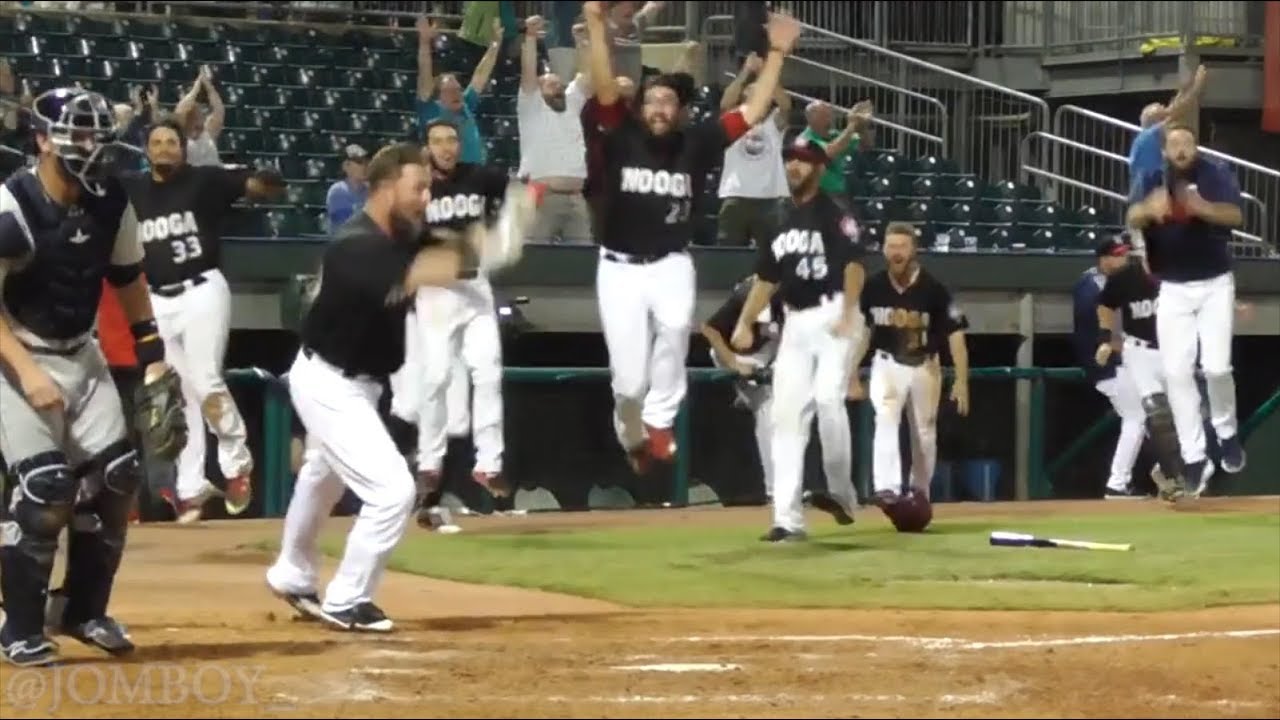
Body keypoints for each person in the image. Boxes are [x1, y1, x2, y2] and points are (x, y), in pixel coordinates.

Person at [265, 142, 532, 631]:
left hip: (354, 383)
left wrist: (488, 238)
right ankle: (348, 599)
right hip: (330, 382)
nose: (426, 196)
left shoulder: (400, 232)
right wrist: (501, 242)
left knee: (322, 476)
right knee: (391, 491)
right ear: (386, 188)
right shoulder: (356, 245)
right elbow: (428, 271)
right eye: (418, 187)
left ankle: (292, 572)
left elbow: (452, 250)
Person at [0, 88, 184, 666]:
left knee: (118, 477)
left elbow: (128, 279)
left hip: (82, 352)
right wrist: (28, 373)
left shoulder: (111, 202)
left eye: (95, 134)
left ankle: (82, 610)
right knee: (45, 491)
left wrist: (152, 351)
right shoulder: (12, 208)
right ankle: (19, 628)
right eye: (75, 135)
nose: (88, 146)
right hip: (13, 353)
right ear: (41, 140)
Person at [582, 0, 801, 473]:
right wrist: (598, 26)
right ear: (639, 108)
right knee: (627, 383)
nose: (659, 107)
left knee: (677, 324)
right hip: (618, 267)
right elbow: (602, 86)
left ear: (679, 109)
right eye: (652, 100)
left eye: (667, 101)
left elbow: (753, 110)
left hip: (670, 261)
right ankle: (633, 431)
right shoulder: (620, 136)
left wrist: (779, 53)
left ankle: (660, 423)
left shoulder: (695, 143)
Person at [119, 119, 286, 523]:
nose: (163, 148)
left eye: (171, 142)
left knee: (208, 379)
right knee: (177, 393)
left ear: (183, 148)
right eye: (156, 142)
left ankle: (236, 466)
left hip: (202, 289)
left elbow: (262, 187)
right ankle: (191, 486)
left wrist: (264, 180)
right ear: (146, 150)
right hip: (156, 299)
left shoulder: (205, 181)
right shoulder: (132, 189)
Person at [730, 139, 865, 543]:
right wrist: (744, 321)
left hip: (834, 311)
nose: (794, 165)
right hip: (795, 322)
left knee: (827, 399)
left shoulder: (836, 211)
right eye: (790, 158)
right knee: (785, 420)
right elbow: (768, 277)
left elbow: (855, 265)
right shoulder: (775, 217)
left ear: (820, 167)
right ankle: (787, 520)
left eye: (804, 160)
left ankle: (841, 493)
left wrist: (848, 312)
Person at [1126, 123, 1245, 496]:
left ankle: (1226, 431)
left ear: (1195, 147)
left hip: (1214, 282)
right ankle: (1195, 457)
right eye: (1174, 144)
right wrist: (1147, 210)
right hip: (1173, 287)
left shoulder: (1215, 173)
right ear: (1164, 150)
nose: (1180, 149)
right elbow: (1131, 216)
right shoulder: (1151, 177)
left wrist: (1201, 208)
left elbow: (1235, 216)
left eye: (1187, 142)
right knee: (1176, 373)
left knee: (1216, 367)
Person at [849, 222, 970, 507]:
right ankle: (887, 488)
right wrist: (852, 369)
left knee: (924, 433)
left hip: (924, 366)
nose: (897, 252)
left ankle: (919, 494)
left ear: (914, 249)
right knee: (886, 417)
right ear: (883, 250)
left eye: (902, 246)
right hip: (887, 362)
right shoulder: (874, 286)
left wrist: (962, 380)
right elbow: (863, 331)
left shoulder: (935, 288)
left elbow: (956, 334)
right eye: (891, 246)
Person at [1093, 235, 1191, 501]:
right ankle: (1134, 481)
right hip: (1138, 351)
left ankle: (1166, 473)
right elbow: (1105, 305)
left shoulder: (1178, 276)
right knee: (1153, 414)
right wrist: (1105, 339)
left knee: (1186, 418)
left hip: (1172, 351)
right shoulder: (1126, 276)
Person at [1071, 235, 1148, 499]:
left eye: (1125, 253)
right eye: (1117, 254)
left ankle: (1168, 472)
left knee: (1151, 415)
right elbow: (1103, 329)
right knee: (1137, 417)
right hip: (1106, 365)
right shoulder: (1090, 287)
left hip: (1121, 361)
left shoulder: (1117, 282)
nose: (1123, 258)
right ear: (1104, 259)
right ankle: (1117, 483)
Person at [700, 275, 784, 501]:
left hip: (765, 354)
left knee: (771, 410)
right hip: (731, 353)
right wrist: (734, 364)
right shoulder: (744, 294)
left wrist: (777, 366)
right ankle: (743, 392)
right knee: (767, 408)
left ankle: (776, 491)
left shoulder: (788, 299)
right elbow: (709, 329)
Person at [715, 52, 791, 248]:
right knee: (729, 250)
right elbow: (725, 103)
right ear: (744, 95)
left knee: (773, 253)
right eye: (752, 90)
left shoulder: (774, 122)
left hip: (770, 199)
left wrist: (766, 73)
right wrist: (746, 71)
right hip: (735, 195)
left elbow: (786, 105)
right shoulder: (733, 119)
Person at [416, 16, 501, 165]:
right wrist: (424, 42)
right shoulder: (430, 110)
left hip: (475, 175)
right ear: (437, 97)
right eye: (449, 91)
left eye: (458, 89)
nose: (456, 94)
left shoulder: (466, 103)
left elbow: (481, 74)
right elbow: (424, 75)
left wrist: (495, 43)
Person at [1128, 65, 1207, 192]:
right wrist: (1196, 87)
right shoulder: (1150, 134)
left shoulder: (1148, 135)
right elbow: (1176, 110)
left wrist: (1184, 88)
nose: (1161, 105)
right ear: (1153, 118)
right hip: (1146, 189)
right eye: (1158, 106)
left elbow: (1174, 107)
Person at [326, 144, 369, 231]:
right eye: (359, 162)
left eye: (366, 162)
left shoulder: (370, 191)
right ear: (345, 166)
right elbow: (344, 225)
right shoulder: (338, 191)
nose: (364, 166)